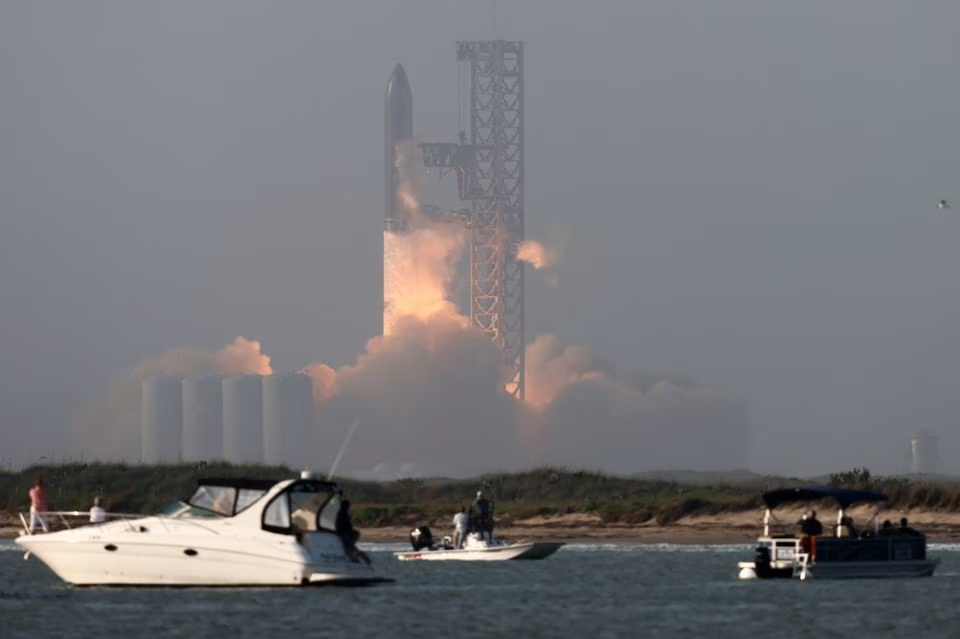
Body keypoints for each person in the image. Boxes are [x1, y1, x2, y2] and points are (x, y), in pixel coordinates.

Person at [335, 500, 370, 565]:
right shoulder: (341, 514)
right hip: (343, 533)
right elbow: (341, 525)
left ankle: (359, 558)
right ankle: (355, 559)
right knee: (349, 546)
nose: (348, 507)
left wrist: (351, 532)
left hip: (346, 532)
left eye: (348, 506)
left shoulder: (344, 514)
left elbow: (348, 525)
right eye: (347, 506)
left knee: (351, 545)